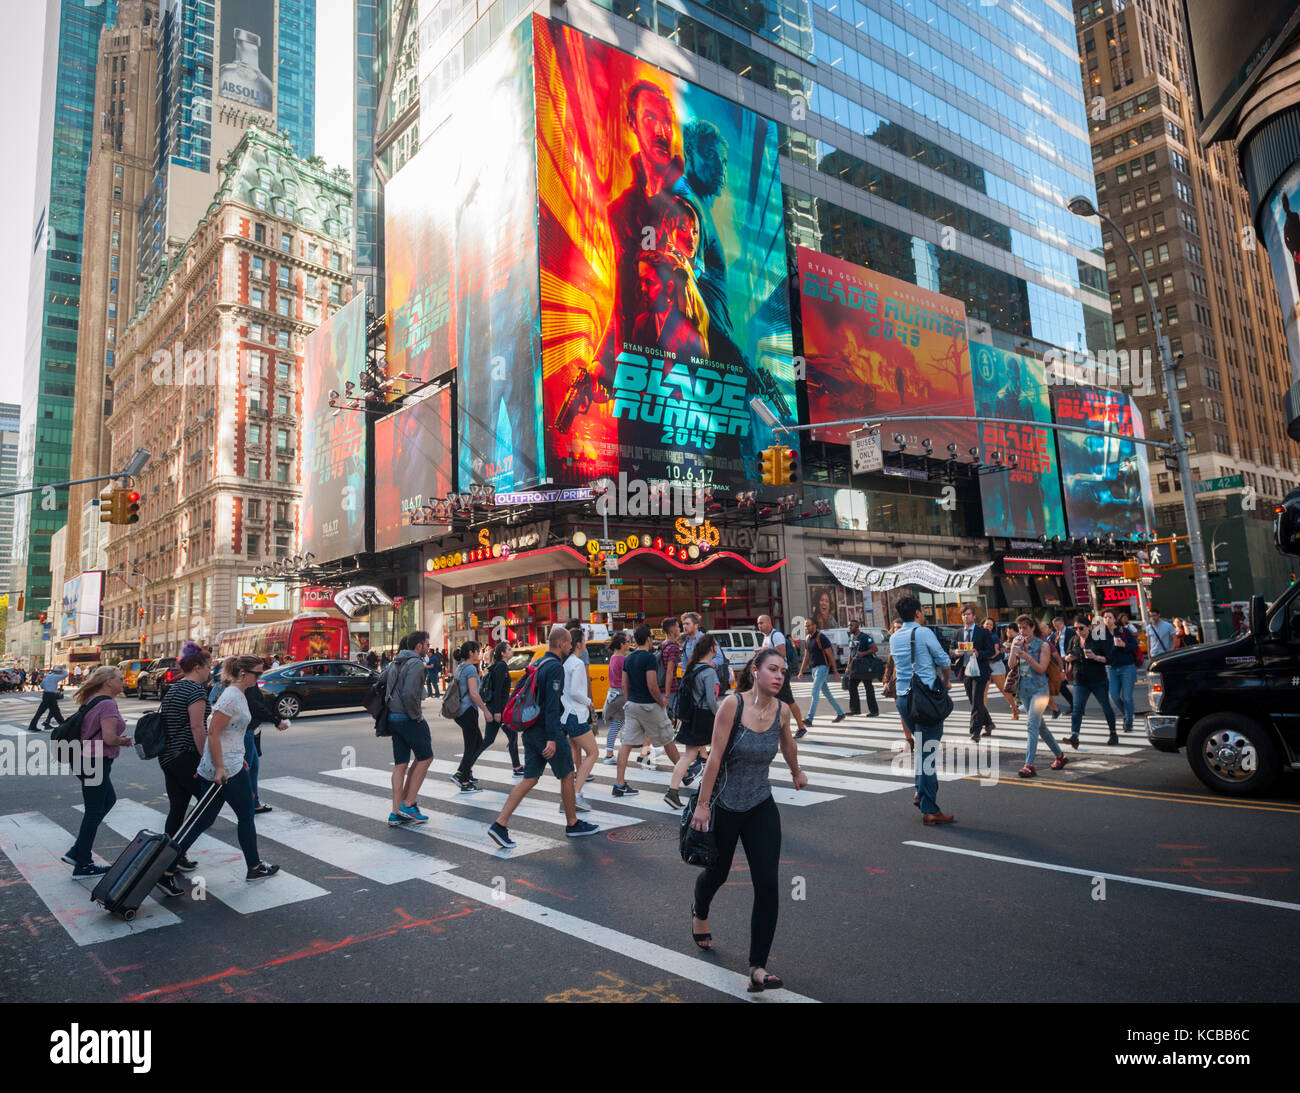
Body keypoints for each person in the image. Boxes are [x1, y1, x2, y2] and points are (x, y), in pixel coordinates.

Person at [689, 647, 807, 992]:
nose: (779, 675)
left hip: (760, 805)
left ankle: (758, 966)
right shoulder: (733, 705)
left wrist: (796, 772)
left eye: (783, 671)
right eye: (773, 669)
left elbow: (788, 746)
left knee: (768, 884)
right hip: (725, 804)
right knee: (717, 872)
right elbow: (713, 759)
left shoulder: (783, 711)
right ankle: (699, 910)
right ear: (755, 671)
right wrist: (703, 805)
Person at [488, 626, 599, 847]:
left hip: (530, 729)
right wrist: (551, 738)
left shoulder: (537, 663)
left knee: (530, 778)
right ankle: (572, 823)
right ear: (561, 644)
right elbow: (550, 705)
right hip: (548, 731)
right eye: (568, 643)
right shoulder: (556, 667)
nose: (570, 646)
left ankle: (499, 824)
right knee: (567, 774)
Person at [173, 655, 279, 880]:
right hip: (225, 769)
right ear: (243, 673)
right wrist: (219, 765)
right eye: (257, 674)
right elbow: (213, 731)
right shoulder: (231, 696)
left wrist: (235, 757)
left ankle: (168, 863)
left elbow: (231, 732)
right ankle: (254, 867)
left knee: (204, 819)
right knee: (246, 815)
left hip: (227, 763)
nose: (259, 678)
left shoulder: (237, 694)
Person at [62, 667, 132, 879]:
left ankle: (77, 851)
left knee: (108, 800)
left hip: (85, 759)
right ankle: (82, 862)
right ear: (108, 681)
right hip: (95, 760)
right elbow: (109, 738)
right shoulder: (108, 704)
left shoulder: (92, 699)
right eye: (120, 679)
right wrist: (124, 741)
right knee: (94, 809)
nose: (124, 681)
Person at [890, 595, 953, 824]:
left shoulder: (895, 636)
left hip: (904, 698)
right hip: (924, 699)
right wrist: (946, 681)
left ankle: (920, 790)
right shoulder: (924, 632)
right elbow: (944, 661)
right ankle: (929, 808)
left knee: (921, 749)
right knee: (928, 754)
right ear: (917, 613)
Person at [155, 642, 213, 894]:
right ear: (198, 667)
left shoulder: (174, 688)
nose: (211, 670)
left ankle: (173, 857)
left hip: (168, 757)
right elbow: (197, 728)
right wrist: (207, 759)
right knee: (208, 806)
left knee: (178, 808)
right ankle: (168, 862)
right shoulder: (195, 691)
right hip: (187, 755)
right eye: (209, 665)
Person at [613, 624, 680, 796]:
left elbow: (624, 684)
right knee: (667, 738)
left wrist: (629, 701)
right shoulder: (649, 658)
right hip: (649, 705)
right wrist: (661, 701)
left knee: (626, 744)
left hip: (632, 705)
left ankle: (619, 783)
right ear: (649, 639)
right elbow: (652, 684)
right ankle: (684, 773)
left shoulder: (628, 658)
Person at [665, 634, 723, 809]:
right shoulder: (709, 671)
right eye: (716, 646)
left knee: (688, 756)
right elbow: (711, 701)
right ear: (712, 648)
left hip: (691, 716)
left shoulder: (692, 668)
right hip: (705, 717)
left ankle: (672, 791)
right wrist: (722, 715)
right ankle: (713, 790)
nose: (717, 649)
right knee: (717, 753)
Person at [1007, 615, 1068, 778]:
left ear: (1033, 628)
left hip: (1040, 689)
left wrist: (1027, 656)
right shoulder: (1018, 643)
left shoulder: (1043, 645)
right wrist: (1014, 648)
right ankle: (1060, 755)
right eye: (1019, 628)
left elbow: (1041, 668)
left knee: (1031, 724)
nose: (1022, 631)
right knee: (1040, 726)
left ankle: (1029, 764)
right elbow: (1011, 665)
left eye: (1025, 627)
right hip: (1024, 689)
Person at [385, 631, 435, 825]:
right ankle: (408, 804)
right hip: (408, 718)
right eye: (427, 644)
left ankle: (396, 812)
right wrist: (416, 716)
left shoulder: (395, 662)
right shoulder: (416, 663)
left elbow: (381, 681)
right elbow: (409, 694)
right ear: (418, 646)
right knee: (426, 757)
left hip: (393, 718)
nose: (428, 647)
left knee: (400, 765)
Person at [560, 628, 599, 813]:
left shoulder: (567, 662)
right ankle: (575, 794)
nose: (585, 644)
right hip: (576, 715)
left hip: (568, 716)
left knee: (578, 753)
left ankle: (569, 798)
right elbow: (576, 691)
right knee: (593, 753)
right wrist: (589, 701)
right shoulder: (575, 664)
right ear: (577, 644)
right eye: (583, 641)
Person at [1065, 614, 1118, 747]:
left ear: (1089, 627)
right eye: (1075, 628)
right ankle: (1074, 736)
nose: (1078, 631)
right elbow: (1068, 655)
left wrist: (1095, 657)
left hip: (1097, 679)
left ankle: (1113, 733)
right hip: (1080, 680)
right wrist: (1068, 658)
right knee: (1077, 709)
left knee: (1105, 706)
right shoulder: (1074, 640)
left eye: (1081, 628)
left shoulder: (1098, 639)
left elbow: (1109, 659)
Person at [449, 641, 494, 791]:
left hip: (459, 711)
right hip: (468, 710)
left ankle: (465, 772)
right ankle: (463, 778)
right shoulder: (470, 669)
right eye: (478, 651)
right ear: (471, 653)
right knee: (471, 745)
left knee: (476, 742)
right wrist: (485, 710)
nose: (479, 653)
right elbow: (474, 693)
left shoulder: (460, 668)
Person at [757, 614, 809, 738]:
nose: (759, 625)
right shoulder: (766, 637)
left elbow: (781, 653)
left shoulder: (777, 635)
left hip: (780, 673)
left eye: (762, 623)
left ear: (769, 623)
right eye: (758, 623)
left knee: (788, 700)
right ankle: (772, 727)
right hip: (771, 674)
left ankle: (801, 727)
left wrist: (764, 653)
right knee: (770, 701)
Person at [477, 641, 522, 777]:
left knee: (512, 735)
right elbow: (497, 692)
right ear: (503, 653)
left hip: (500, 709)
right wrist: (497, 712)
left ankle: (517, 766)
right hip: (498, 710)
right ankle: (465, 767)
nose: (511, 650)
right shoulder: (501, 666)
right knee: (489, 740)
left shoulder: (500, 666)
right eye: (508, 649)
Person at [954, 606, 996, 742]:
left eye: (968, 614)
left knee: (977, 700)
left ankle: (975, 731)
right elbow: (950, 648)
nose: (966, 617)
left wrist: (979, 653)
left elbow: (990, 651)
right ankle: (989, 723)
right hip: (965, 670)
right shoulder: (958, 633)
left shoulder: (982, 632)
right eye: (964, 615)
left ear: (974, 616)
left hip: (980, 670)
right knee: (974, 700)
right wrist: (954, 652)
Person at [796, 618, 846, 728]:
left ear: (814, 625)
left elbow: (830, 655)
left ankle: (809, 719)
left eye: (808, 625)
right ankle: (841, 713)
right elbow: (806, 656)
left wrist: (835, 671)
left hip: (823, 668)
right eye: (805, 626)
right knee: (827, 693)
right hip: (814, 669)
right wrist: (801, 671)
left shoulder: (821, 638)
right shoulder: (807, 638)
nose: (806, 628)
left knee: (815, 692)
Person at [1102, 608, 1139, 733]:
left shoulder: (1123, 631)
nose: (1107, 619)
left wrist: (1124, 645)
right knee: (1114, 696)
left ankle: (1128, 722)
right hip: (1112, 668)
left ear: (1114, 619)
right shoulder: (1102, 634)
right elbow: (1100, 650)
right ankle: (1128, 714)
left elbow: (1135, 646)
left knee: (1127, 697)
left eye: (1110, 617)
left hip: (1127, 666)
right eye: (1105, 617)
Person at [602, 632, 629, 764]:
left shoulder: (613, 657)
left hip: (613, 694)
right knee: (623, 725)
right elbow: (626, 680)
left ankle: (609, 753)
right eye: (627, 642)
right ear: (622, 644)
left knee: (616, 724)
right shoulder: (623, 660)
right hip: (622, 694)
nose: (629, 644)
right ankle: (611, 754)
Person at [846, 620, 881, 717]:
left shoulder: (866, 637)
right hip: (855, 667)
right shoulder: (851, 638)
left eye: (851, 625)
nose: (850, 627)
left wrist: (863, 654)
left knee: (868, 688)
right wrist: (848, 666)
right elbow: (851, 652)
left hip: (865, 666)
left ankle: (874, 711)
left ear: (857, 626)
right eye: (849, 625)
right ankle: (855, 709)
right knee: (851, 686)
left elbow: (875, 649)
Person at [28, 664, 68, 733]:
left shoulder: (48, 676)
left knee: (40, 711)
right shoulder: (55, 676)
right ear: (57, 672)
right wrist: (62, 668)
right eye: (59, 672)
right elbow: (66, 674)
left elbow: (41, 685)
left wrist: (48, 687)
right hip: (51, 696)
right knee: (56, 712)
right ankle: (63, 726)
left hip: (45, 694)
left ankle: (32, 725)